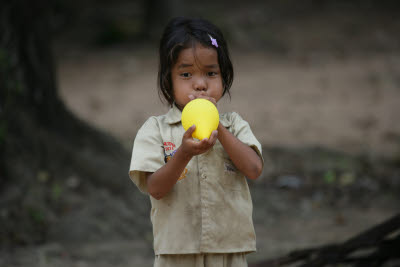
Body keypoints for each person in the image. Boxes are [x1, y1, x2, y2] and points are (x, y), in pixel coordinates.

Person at [129, 17, 264, 267]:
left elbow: (254, 169)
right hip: (176, 252)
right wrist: (183, 154)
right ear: (168, 79)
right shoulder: (155, 130)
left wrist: (218, 128)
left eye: (211, 73)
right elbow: (155, 188)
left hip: (229, 250)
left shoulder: (234, 125)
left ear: (225, 77)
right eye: (186, 73)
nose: (201, 84)